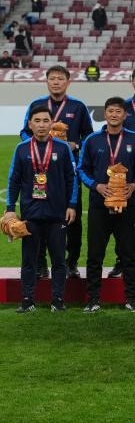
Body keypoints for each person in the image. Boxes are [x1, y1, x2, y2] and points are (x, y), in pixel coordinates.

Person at [21, 65, 92, 279]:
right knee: (38, 217)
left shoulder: (78, 107)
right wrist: (39, 144)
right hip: (40, 172)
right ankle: (41, 263)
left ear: (68, 82)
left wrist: (75, 145)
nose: (56, 82)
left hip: (67, 172)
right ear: (47, 81)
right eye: (52, 78)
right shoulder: (37, 105)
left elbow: (89, 137)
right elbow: (24, 132)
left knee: (73, 218)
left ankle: (71, 263)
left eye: (60, 78)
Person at [6, 104, 77, 312]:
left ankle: (57, 301)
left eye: (46, 120)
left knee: (58, 260)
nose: (42, 125)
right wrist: (10, 208)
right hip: (31, 214)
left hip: (57, 214)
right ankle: (27, 301)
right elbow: (14, 180)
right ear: (30, 124)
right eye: (37, 121)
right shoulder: (21, 149)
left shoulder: (62, 148)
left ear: (52, 123)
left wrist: (72, 205)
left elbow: (71, 178)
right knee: (29, 260)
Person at [78, 97, 135, 311]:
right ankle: (93, 299)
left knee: (128, 253)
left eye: (118, 111)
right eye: (110, 111)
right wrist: (96, 186)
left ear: (125, 115)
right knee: (95, 254)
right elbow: (81, 169)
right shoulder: (92, 140)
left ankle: (131, 299)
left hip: (126, 206)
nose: (114, 114)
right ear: (105, 114)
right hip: (99, 206)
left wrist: (134, 185)